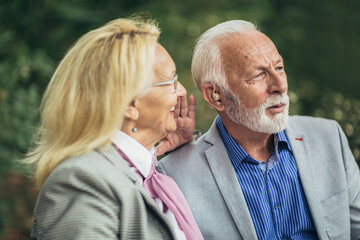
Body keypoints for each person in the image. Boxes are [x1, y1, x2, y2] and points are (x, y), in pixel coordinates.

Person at [157, 20, 360, 240]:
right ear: (216, 95)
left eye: (279, 68)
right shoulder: (175, 175)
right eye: (258, 75)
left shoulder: (329, 138)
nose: (279, 85)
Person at [25, 18, 203, 239]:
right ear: (130, 103)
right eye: (172, 81)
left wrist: (180, 149)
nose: (182, 91)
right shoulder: (82, 180)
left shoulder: (143, 172)